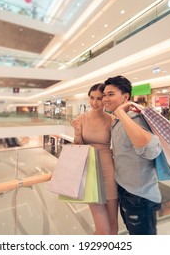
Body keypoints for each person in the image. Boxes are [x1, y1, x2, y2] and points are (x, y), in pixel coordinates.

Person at [103, 75, 162, 235]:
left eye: (111, 94)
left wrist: (121, 113)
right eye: (104, 95)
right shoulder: (116, 122)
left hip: (140, 196)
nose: (105, 99)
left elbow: (151, 151)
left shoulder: (136, 119)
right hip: (125, 190)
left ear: (126, 97)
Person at [69, 83, 118, 235]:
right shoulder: (81, 118)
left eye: (99, 98)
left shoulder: (112, 119)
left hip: (108, 170)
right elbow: (76, 146)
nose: (94, 103)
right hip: (89, 171)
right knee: (103, 229)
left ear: (105, 99)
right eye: (91, 98)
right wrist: (77, 134)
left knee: (113, 226)